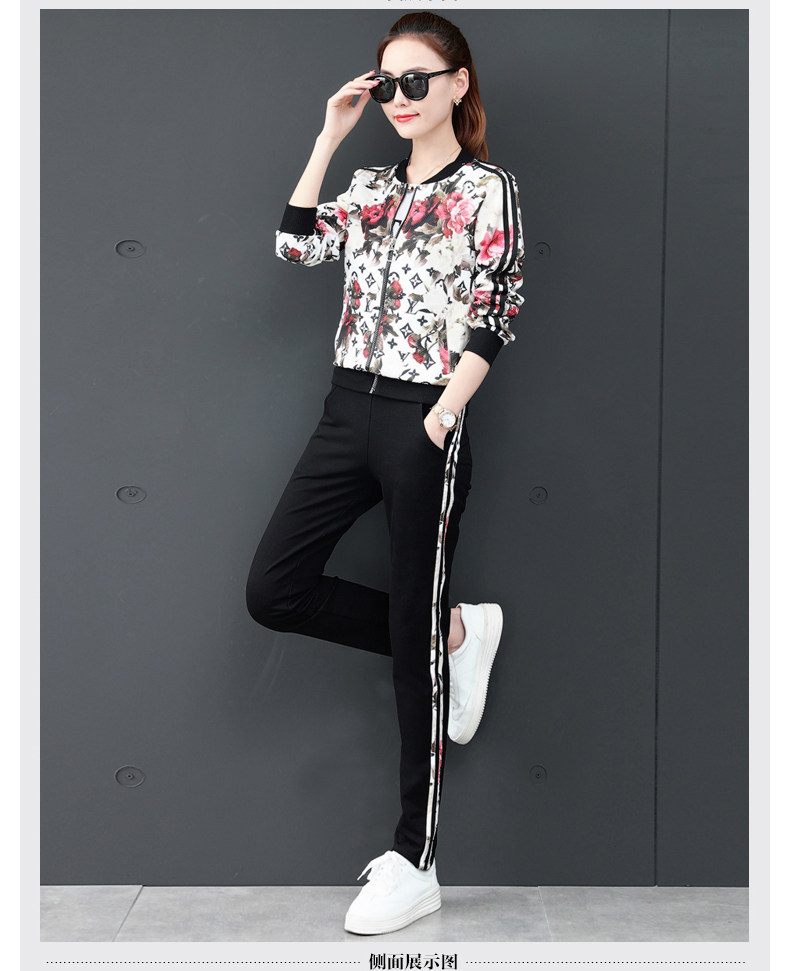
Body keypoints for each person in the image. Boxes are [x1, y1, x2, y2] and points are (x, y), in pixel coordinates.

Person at [245, 11, 525, 936]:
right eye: (387, 83)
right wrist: (330, 135)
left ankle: (418, 859)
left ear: (457, 83)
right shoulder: (368, 185)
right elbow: (295, 243)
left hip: (422, 417)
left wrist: (443, 415)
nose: (399, 98)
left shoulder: (486, 189)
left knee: (409, 637)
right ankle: (454, 631)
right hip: (344, 412)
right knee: (275, 588)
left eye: (417, 81)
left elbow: (494, 312)